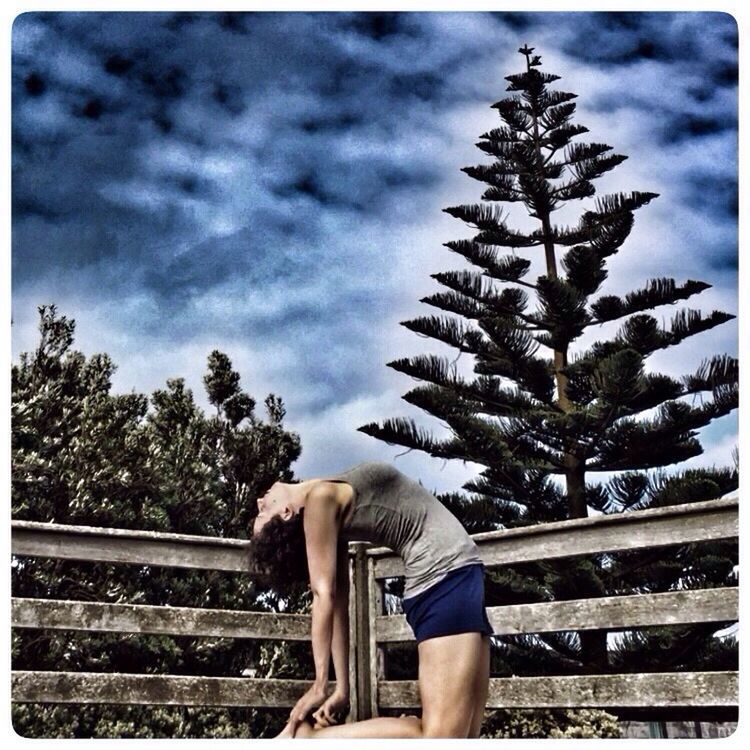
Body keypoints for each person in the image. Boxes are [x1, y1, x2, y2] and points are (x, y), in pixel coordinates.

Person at [249, 460, 493, 739]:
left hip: (457, 573)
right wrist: (320, 684)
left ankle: (313, 739)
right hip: (443, 578)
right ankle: (310, 739)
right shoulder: (319, 500)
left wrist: (343, 687)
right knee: (442, 737)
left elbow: (339, 600)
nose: (259, 501)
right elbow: (323, 595)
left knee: (467, 735)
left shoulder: (326, 500)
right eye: (263, 513)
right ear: (286, 513)